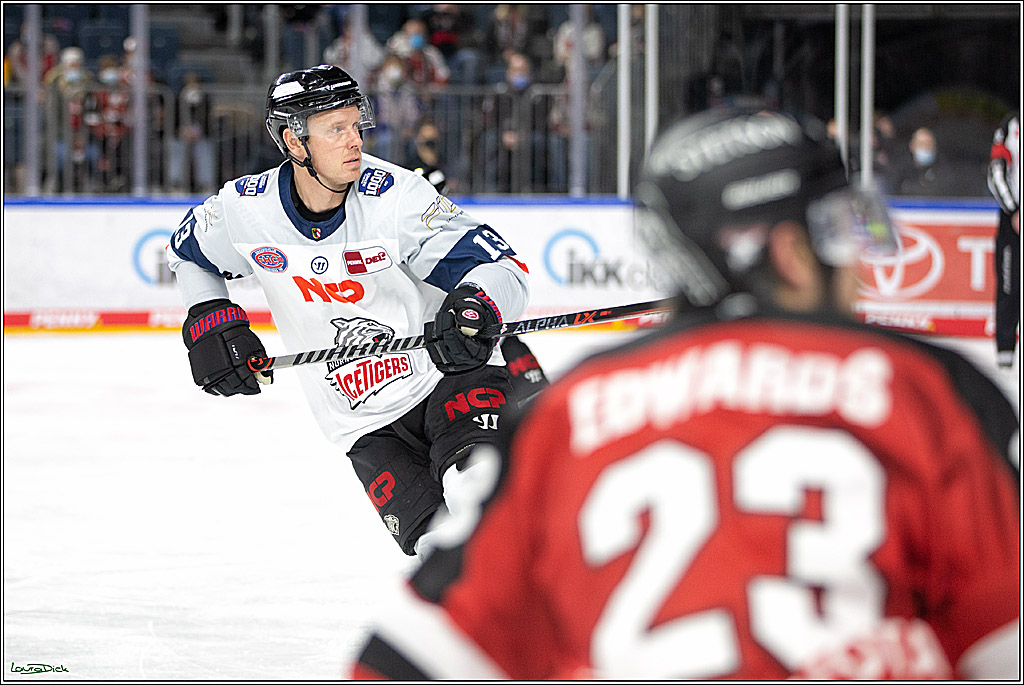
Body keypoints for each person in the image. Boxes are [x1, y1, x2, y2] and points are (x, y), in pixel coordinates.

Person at [349, 106, 1020, 679]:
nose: (858, 263)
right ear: (786, 253)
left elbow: (403, 657)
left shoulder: (568, 411)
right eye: (838, 230)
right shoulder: (930, 391)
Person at [165, 64, 531, 558]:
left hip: (446, 379)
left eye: (355, 123)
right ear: (295, 144)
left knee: (481, 503)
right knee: (440, 554)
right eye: (335, 129)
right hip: (360, 422)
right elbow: (188, 254)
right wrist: (208, 319)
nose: (354, 139)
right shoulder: (245, 209)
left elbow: (504, 268)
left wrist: (475, 304)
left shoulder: (395, 198)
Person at [405, 119, 551, 405]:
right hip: (432, 347)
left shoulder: (453, 225)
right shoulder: (400, 213)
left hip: (473, 321)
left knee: (533, 396)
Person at [987, 110, 1019, 369]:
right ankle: (1006, 351)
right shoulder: (1012, 124)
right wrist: (1014, 210)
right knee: (1010, 283)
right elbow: (996, 171)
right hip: (1014, 221)